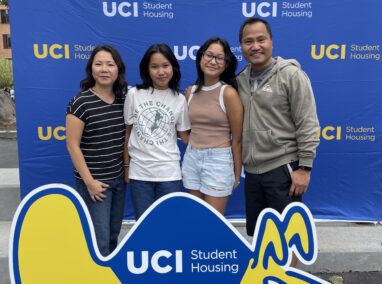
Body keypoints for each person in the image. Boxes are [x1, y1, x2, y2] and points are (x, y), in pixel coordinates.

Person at [237, 17, 320, 237]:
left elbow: (308, 122)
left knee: (288, 235)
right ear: (242, 46)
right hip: (253, 172)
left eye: (261, 39)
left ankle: (286, 273)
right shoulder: (240, 80)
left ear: (271, 42)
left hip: (283, 168)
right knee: (262, 235)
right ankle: (268, 273)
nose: (255, 46)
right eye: (248, 41)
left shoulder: (291, 75)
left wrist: (304, 168)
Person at [66, 45, 128, 256]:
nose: (104, 69)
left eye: (110, 64)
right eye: (98, 64)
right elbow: (72, 145)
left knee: (112, 237)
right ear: (91, 68)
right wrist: (90, 183)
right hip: (94, 184)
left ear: (118, 69)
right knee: (98, 241)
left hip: (118, 181)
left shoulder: (123, 100)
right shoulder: (80, 102)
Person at [123, 43, 190, 220]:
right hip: (140, 174)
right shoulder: (134, 94)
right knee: (144, 226)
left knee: (169, 224)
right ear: (147, 69)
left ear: (173, 68)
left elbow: (185, 136)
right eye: (155, 67)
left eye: (165, 66)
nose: (161, 72)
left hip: (169, 173)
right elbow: (127, 133)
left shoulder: (180, 99)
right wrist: (126, 166)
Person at [182, 37, 243, 215]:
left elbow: (237, 139)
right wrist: (191, 143)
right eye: (209, 55)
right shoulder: (190, 92)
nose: (213, 61)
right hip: (192, 159)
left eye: (219, 58)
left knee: (212, 222)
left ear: (226, 64)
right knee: (195, 217)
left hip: (218, 160)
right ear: (201, 57)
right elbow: (185, 129)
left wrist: (236, 174)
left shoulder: (228, 93)